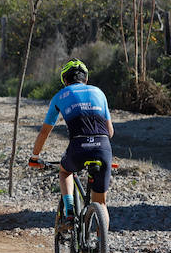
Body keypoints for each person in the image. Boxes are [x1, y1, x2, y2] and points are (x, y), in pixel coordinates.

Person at [28, 59, 115, 229]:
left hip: (78, 147)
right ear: (86, 79)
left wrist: (35, 157)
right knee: (101, 203)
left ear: (65, 81)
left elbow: (45, 132)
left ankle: (69, 212)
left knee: (65, 171)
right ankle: (100, 245)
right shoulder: (99, 93)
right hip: (103, 147)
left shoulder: (60, 96)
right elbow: (110, 132)